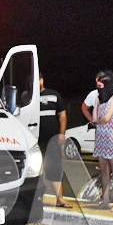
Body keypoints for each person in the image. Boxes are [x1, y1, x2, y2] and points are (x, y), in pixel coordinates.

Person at [91, 71, 113, 211]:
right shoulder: (100, 99)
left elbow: (107, 117)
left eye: (100, 84)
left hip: (111, 136)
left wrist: (97, 121)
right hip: (100, 136)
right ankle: (105, 200)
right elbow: (95, 117)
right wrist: (96, 104)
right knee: (104, 170)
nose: (99, 88)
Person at [38, 73, 69, 207]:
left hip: (52, 139)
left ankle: (59, 199)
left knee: (55, 167)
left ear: (42, 80)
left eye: (37, 79)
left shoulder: (54, 95)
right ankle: (35, 199)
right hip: (34, 140)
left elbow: (62, 115)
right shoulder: (27, 97)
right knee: (35, 169)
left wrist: (61, 134)